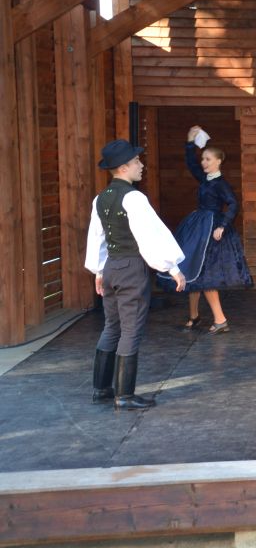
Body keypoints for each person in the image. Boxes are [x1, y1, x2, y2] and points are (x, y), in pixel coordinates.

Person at [86, 139, 186, 411]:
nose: (141, 165)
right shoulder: (134, 198)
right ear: (123, 167)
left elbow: (97, 237)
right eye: (136, 161)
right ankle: (124, 396)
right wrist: (172, 267)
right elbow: (151, 236)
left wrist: (99, 270)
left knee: (112, 326)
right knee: (130, 329)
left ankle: (101, 389)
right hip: (131, 269)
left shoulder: (100, 198)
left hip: (111, 268)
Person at [158, 126, 253, 334]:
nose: (204, 162)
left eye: (208, 159)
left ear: (218, 161)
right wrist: (189, 142)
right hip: (198, 226)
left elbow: (233, 203)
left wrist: (222, 225)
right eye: (203, 159)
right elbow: (191, 163)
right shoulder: (204, 179)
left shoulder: (220, 184)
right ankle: (194, 315)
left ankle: (220, 320)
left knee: (205, 274)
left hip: (210, 229)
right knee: (193, 270)